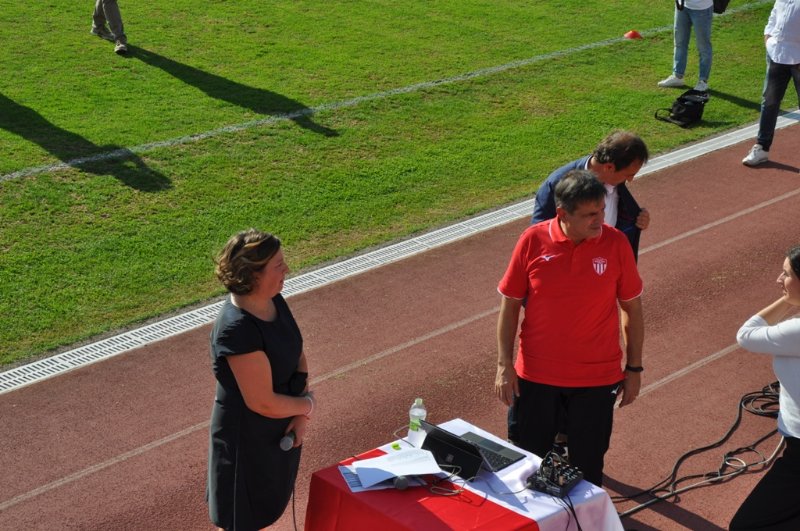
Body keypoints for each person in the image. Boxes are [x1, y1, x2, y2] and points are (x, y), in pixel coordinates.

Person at [495, 170, 644, 486]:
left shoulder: (616, 244)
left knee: (587, 470)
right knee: (527, 468)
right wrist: (504, 365)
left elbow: (632, 308)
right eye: (590, 214)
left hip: (596, 379)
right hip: (536, 376)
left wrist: (634, 368)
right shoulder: (532, 240)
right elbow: (510, 307)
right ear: (562, 214)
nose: (600, 220)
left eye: (601, 210)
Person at [207, 229, 314, 531]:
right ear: (253, 274)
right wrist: (306, 406)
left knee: (262, 511)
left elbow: (297, 354)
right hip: (246, 441)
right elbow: (262, 402)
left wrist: (300, 414)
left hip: (279, 427)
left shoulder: (274, 300)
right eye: (278, 265)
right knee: (239, 521)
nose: (287, 269)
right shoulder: (237, 330)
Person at [729, 245, 800, 530]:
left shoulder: (796, 331)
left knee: (746, 525)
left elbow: (746, 335)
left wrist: (787, 299)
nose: (778, 280)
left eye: (786, 274)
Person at [531, 130, 650, 261]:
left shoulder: (614, 181)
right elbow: (539, 235)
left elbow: (622, 219)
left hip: (606, 263)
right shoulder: (555, 185)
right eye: (628, 175)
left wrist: (637, 218)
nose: (630, 180)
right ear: (609, 167)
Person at [742, 0, 800, 167]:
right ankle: (762, 147)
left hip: (798, 58)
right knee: (769, 102)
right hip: (776, 54)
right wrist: (768, 38)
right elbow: (774, 16)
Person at [658, 0, 713, 92]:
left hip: (701, 9)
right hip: (682, 6)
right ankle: (678, 76)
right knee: (680, 42)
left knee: (703, 46)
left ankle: (703, 81)